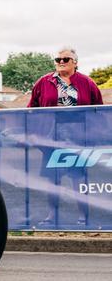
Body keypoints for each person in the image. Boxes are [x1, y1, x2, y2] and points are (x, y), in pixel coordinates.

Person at [28, 47, 102, 226]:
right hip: (51, 136)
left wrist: (93, 135)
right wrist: (35, 133)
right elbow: (31, 108)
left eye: (66, 59)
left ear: (75, 62)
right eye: (58, 59)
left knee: (78, 178)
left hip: (78, 137)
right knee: (52, 179)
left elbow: (98, 108)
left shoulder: (87, 82)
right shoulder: (44, 81)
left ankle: (83, 215)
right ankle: (52, 216)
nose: (61, 62)